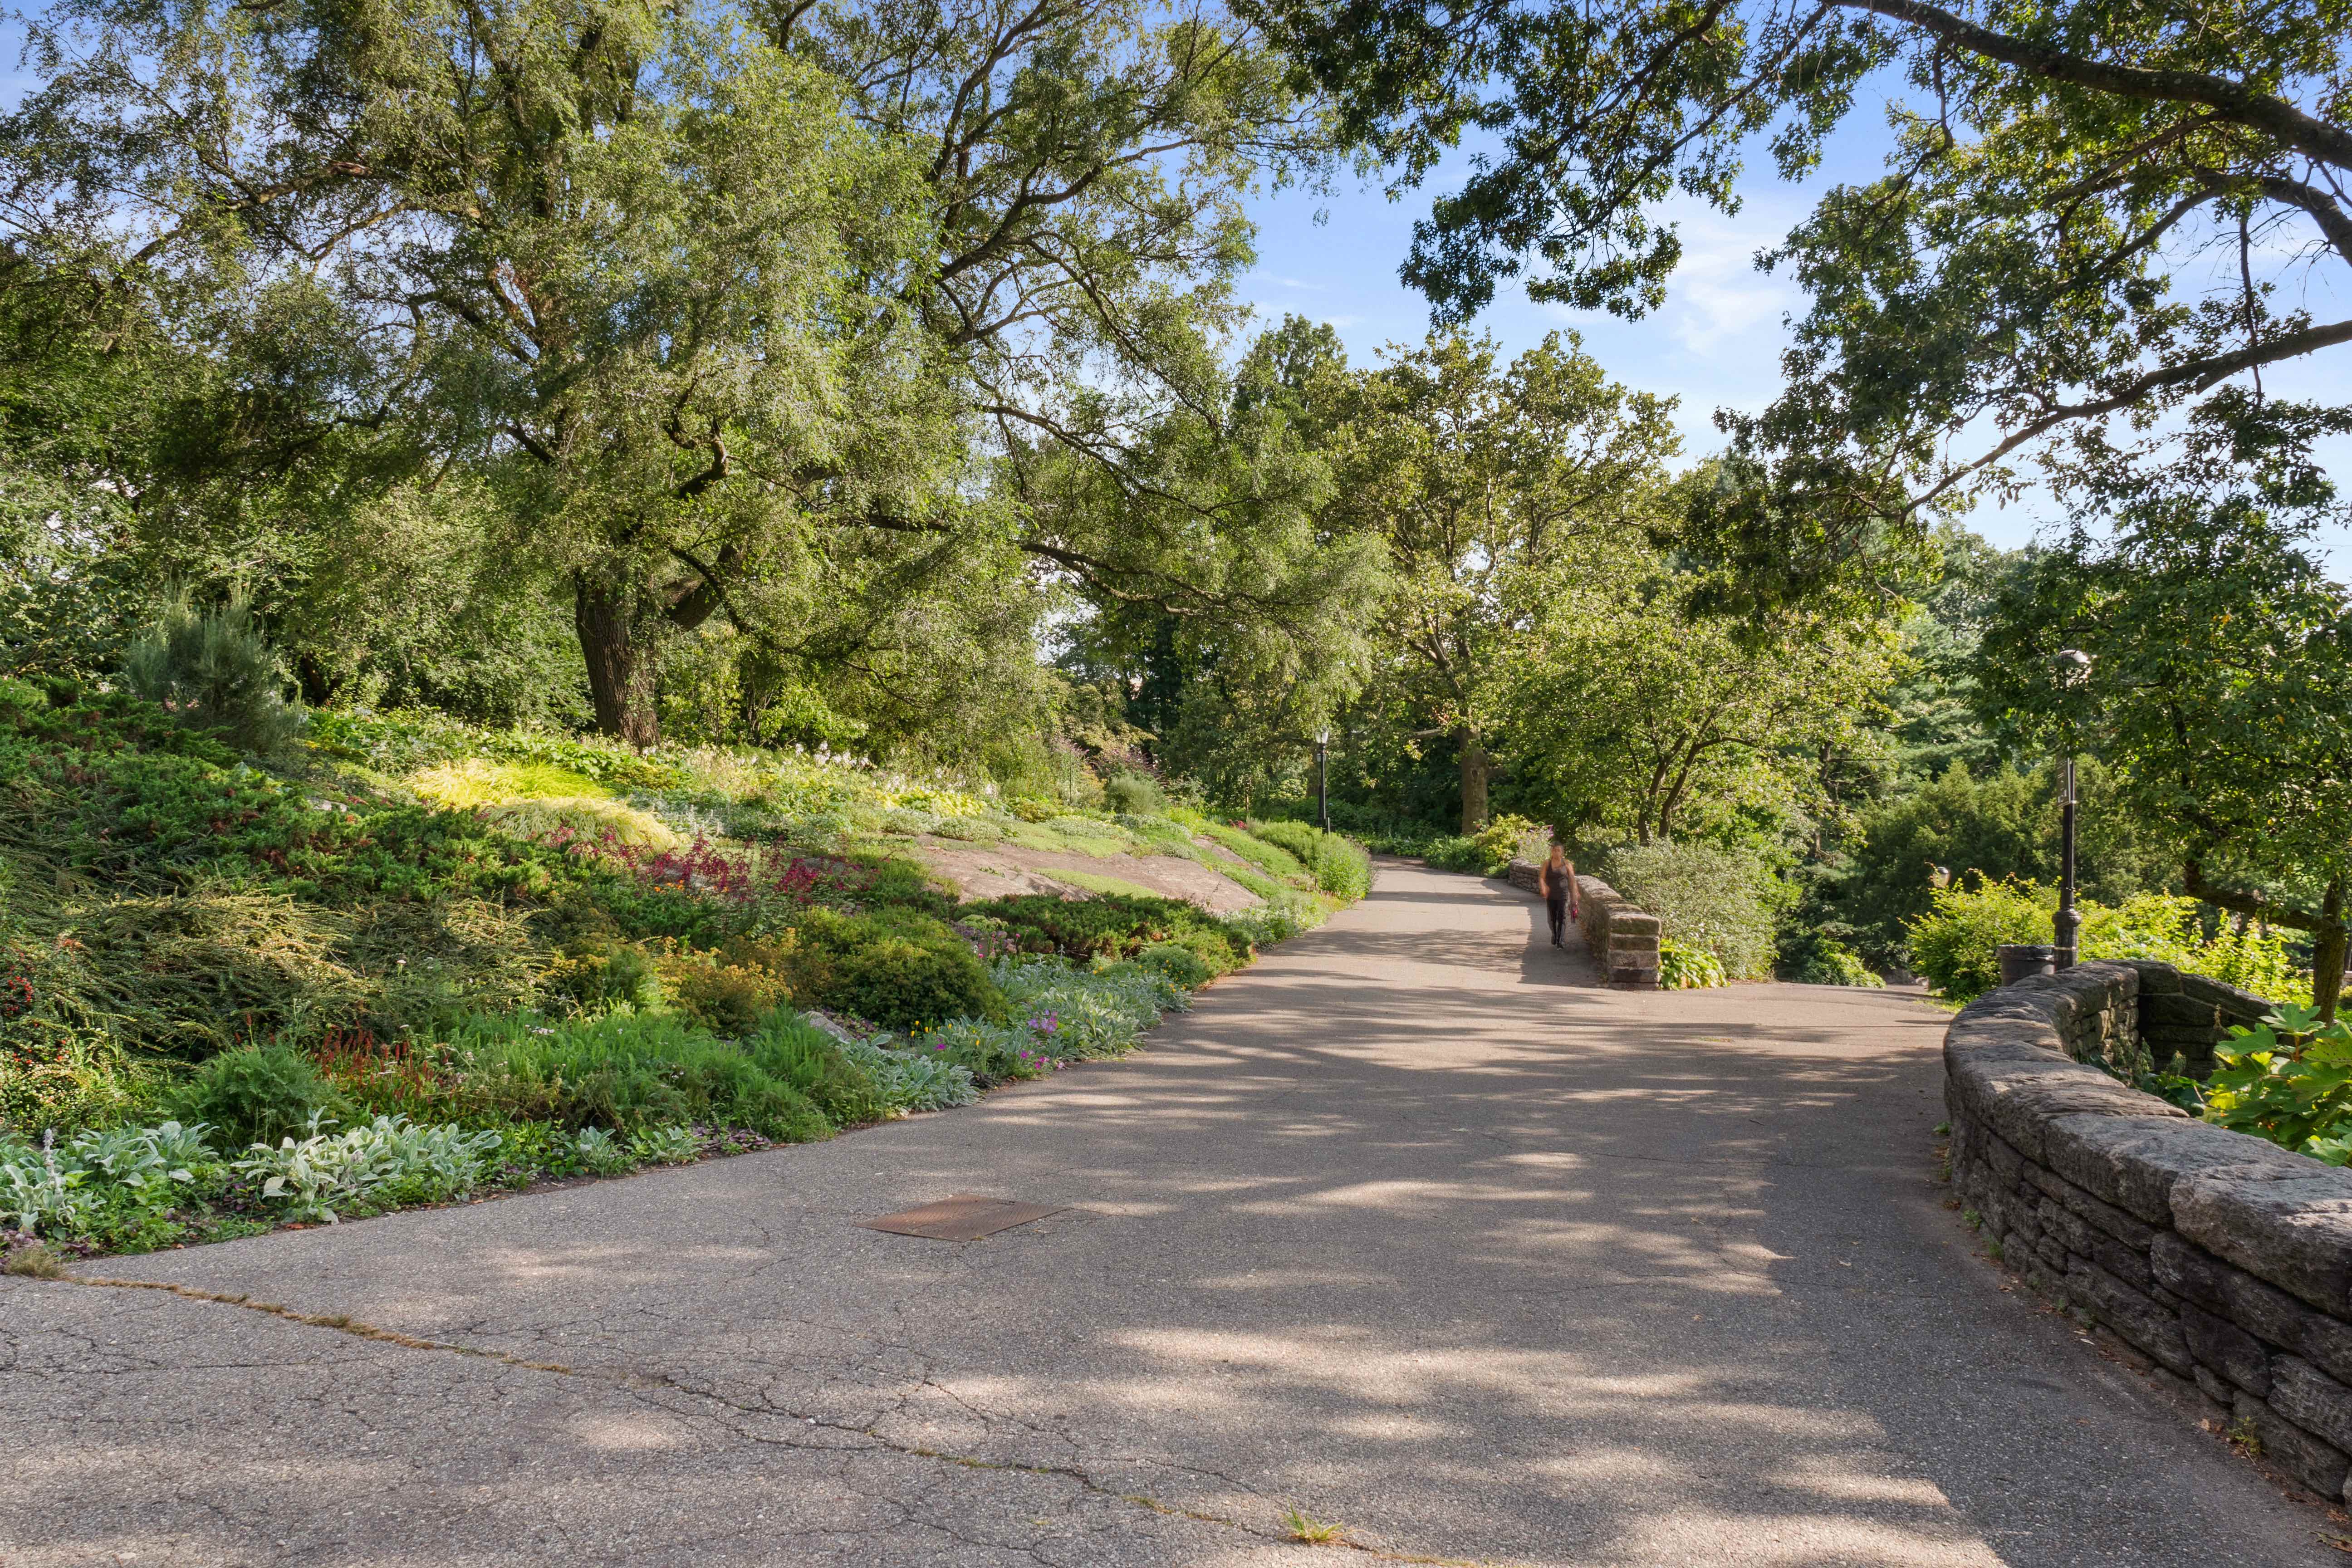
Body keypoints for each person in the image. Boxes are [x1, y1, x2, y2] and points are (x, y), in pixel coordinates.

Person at [1537, 842, 1579, 948]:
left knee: (1562, 916)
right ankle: (1555, 935)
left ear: (1562, 852)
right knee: (1552, 918)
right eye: (1554, 850)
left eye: (1558, 850)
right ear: (1552, 852)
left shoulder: (1567, 864)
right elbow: (1542, 877)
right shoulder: (1547, 863)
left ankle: (1561, 941)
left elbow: (1572, 879)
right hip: (1551, 894)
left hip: (1563, 894)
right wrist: (1543, 887)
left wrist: (1574, 893)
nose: (1556, 853)